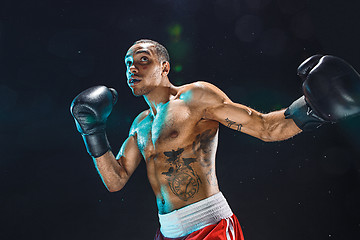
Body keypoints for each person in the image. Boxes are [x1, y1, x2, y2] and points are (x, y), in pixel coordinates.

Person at [70, 39, 360, 240]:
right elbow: (115, 180)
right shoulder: (140, 125)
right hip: (167, 232)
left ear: (164, 67)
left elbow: (264, 128)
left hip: (210, 226)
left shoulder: (195, 97)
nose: (133, 68)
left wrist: (312, 108)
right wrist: (92, 132)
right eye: (128, 64)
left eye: (143, 60)